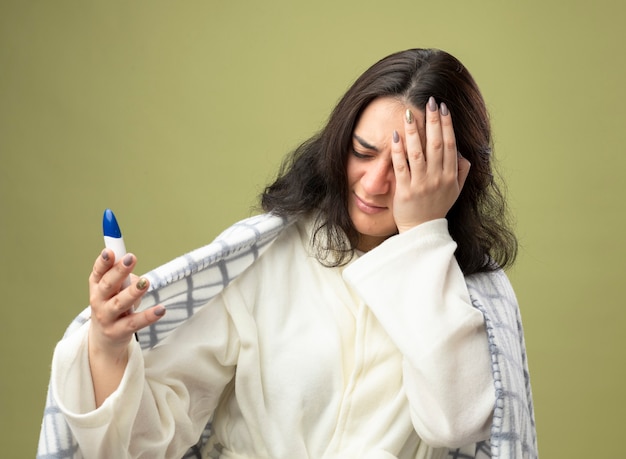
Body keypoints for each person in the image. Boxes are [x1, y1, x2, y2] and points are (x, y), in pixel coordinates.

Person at [44, 48, 535, 459]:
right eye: (362, 152)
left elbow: (456, 425)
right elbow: (146, 442)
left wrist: (422, 235)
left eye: (405, 165)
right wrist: (108, 347)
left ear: (452, 176)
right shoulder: (265, 262)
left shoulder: (469, 296)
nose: (374, 182)